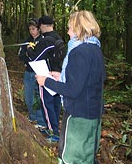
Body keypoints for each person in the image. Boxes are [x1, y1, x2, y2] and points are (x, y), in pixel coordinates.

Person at [35, 10, 106, 163]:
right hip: (93, 114)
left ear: (78, 28)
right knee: (87, 158)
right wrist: (61, 77)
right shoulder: (95, 49)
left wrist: (45, 81)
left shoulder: (78, 52)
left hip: (78, 117)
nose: (67, 32)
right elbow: (89, 80)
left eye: (69, 27)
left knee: (70, 159)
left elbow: (73, 90)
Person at [27, 15, 63, 142]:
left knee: (47, 104)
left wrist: (30, 49)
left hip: (46, 76)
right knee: (56, 103)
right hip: (59, 76)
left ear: (42, 26)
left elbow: (36, 58)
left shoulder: (46, 40)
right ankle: (55, 129)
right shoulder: (59, 37)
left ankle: (53, 132)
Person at [18, 18, 46, 129]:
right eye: (30, 29)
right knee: (28, 96)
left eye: (33, 28)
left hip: (39, 72)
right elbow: (21, 54)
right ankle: (32, 116)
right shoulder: (27, 41)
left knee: (39, 97)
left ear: (39, 29)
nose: (31, 31)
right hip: (28, 72)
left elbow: (42, 55)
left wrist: (32, 53)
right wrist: (28, 57)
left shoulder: (43, 40)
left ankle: (41, 121)